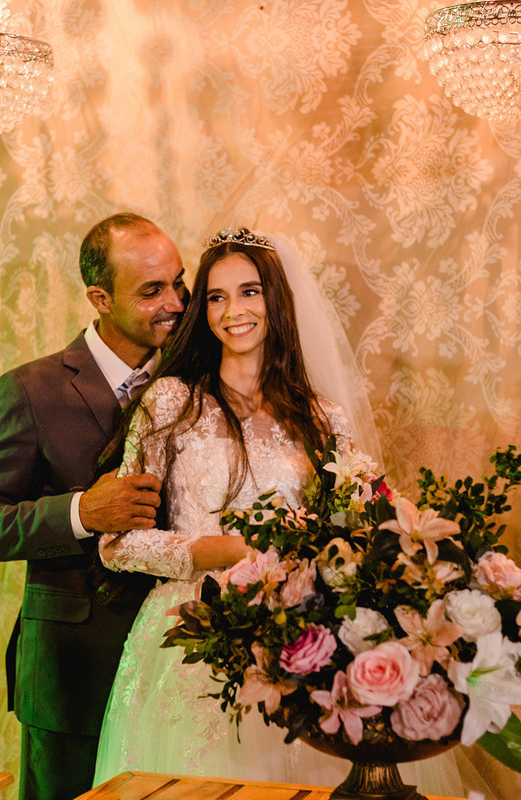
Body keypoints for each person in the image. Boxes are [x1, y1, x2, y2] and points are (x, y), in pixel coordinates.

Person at [90, 228, 463, 794]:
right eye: (215, 297)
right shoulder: (170, 402)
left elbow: (378, 510)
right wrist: (208, 552)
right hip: (191, 635)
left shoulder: (322, 419)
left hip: (295, 636)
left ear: (276, 301)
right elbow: (115, 545)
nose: (232, 311)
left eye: (249, 292)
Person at [0, 213, 187, 800]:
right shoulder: (31, 389)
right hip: (72, 672)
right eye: (152, 290)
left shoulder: (196, 380)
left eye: (179, 283)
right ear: (99, 298)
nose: (176, 303)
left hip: (177, 669)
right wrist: (82, 511)